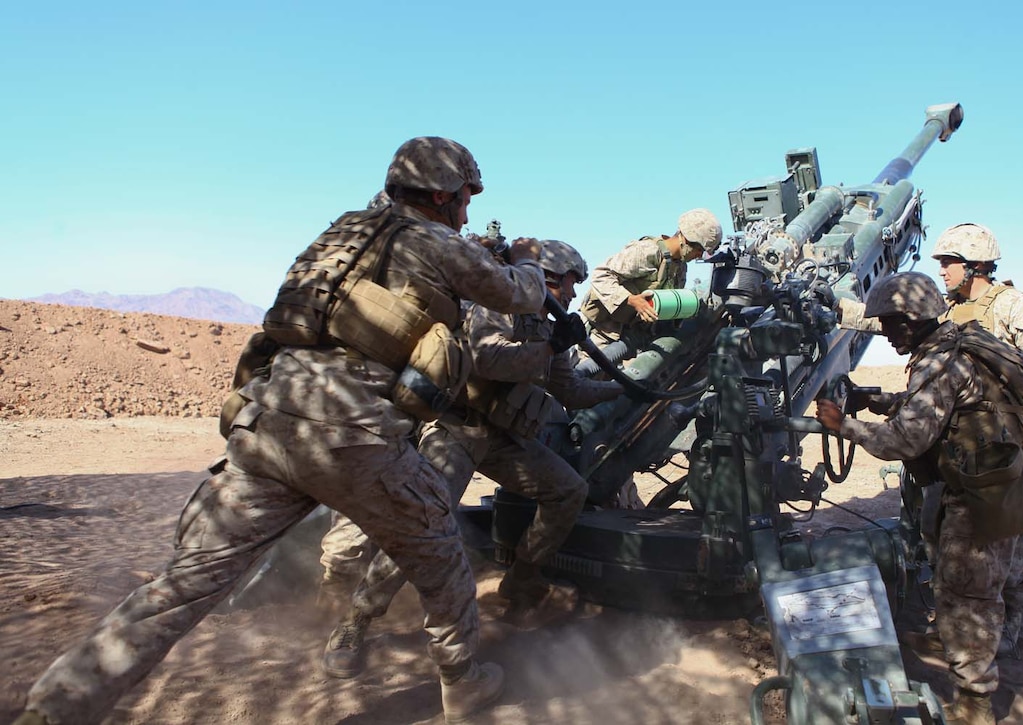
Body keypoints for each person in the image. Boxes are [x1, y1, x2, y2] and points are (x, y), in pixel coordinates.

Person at [13, 136, 549, 725]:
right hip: (354, 435)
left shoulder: (339, 234)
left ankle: (58, 704)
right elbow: (519, 292)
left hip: (268, 422)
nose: (468, 214)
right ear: (443, 194)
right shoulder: (433, 239)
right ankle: (464, 682)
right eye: (466, 199)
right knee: (443, 554)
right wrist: (522, 257)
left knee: (184, 586)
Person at [320, 237, 625, 679]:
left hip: (503, 439)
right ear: (551, 279)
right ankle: (357, 619)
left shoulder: (545, 326)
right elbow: (488, 358)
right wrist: (552, 347)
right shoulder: (498, 302)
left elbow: (570, 391)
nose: (575, 294)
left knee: (568, 492)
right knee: (423, 521)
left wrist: (625, 387)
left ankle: (521, 582)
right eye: (572, 284)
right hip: (457, 430)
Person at [815, 271, 1023, 725]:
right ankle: (968, 642)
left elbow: (906, 441)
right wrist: (879, 400)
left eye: (888, 323)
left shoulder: (937, 363)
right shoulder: (961, 344)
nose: (883, 331)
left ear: (910, 320)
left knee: (969, 595)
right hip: (1011, 481)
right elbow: (945, 405)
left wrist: (844, 426)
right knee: (994, 581)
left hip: (981, 497)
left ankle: (975, 702)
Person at [838, 222, 1023, 658]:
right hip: (950, 441)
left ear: (977, 265)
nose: (942, 270)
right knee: (944, 537)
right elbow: (896, 319)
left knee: (1007, 546)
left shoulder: (1014, 308)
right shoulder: (948, 310)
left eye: (950, 263)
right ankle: (954, 628)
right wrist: (835, 308)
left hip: (1001, 446)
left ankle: (1000, 637)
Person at [579, 208, 723, 355]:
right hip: (602, 332)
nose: (699, 256)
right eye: (699, 250)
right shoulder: (647, 251)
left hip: (633, 338)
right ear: (686, 240)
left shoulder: (680, 267)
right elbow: (601, 274)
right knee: (587, 374)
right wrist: (631, 300)